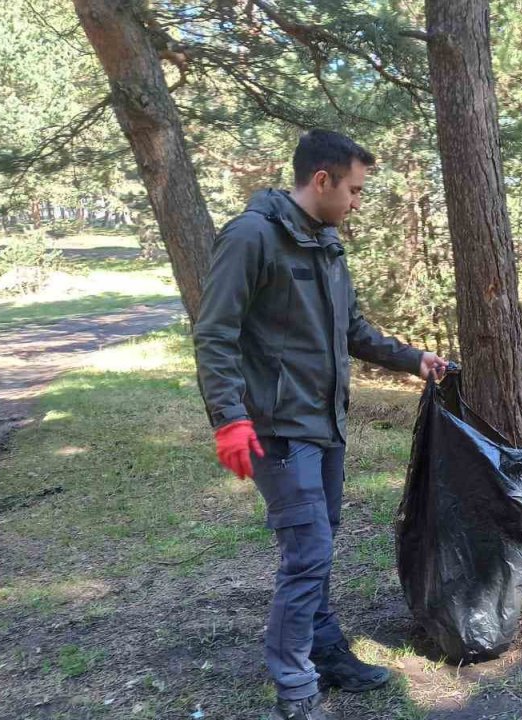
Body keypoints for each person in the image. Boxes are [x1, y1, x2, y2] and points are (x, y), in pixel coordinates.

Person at [193, 130, 448, 720]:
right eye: (354, 190)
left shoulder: (327, 244)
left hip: (326, 422)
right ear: (322, 179)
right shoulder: (252, 236)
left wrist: (413, 359)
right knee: (307, 551)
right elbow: (215, 333)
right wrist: (229, 419)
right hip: (277, 427)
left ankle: (325, 648)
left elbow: (352, 330)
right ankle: (294, 682)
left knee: (320, 542)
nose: (357, 202)